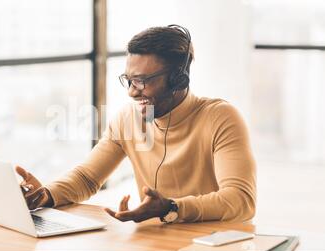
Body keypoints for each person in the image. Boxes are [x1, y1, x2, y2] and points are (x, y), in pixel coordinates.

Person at [16, 24, 256, 224]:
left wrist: (171, 207)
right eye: (129, 80)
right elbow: (87, 178)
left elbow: (241, 200)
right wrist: (45, 195)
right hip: (156, 242)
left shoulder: (221, 118)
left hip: (212, 243)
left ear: (177, 79)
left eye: (141, 81)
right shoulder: (129, 119)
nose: (131, 92)